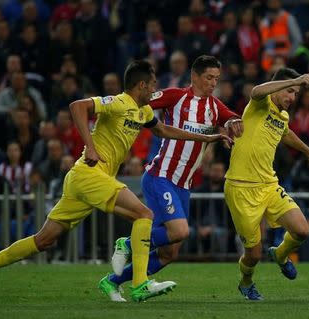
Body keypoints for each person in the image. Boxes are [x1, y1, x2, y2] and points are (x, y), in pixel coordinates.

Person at [0, 60, 232, 305]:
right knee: (143, 214)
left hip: (83, 181)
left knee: (44, 240)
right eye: (151, 86)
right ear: (140, 85)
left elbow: (163, 130)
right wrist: (88, 146)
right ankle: (139, 284)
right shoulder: (118, 102)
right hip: (90, 174)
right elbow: (77, 106)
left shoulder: (143, 111)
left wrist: (208, 139)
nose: (154, 91)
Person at [101, 55, 243, 300]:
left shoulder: (214, 106)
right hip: (161, 176)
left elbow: (230, 115)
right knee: (179, 231)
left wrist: (234, 121)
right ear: (195, 76)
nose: (212, 83)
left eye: (216, 79)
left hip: (183, 186)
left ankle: (112, 282)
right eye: (208, 77)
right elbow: (139, 100)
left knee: (169, 253)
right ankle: (127, 243)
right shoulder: (175, 96)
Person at [224, 68, 309, 300]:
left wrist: (308, 151)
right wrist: (296, 80)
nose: (292, 97)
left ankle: (280, 254)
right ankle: (246, 282)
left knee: (301, 230)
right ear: (278, 87)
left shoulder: (282, 116)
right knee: (253, 255)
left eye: (296, 94)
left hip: (268, 184)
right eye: (289, 91)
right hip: (240, 188)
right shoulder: (260, 104)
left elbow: (285, 133)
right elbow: (256, 90)